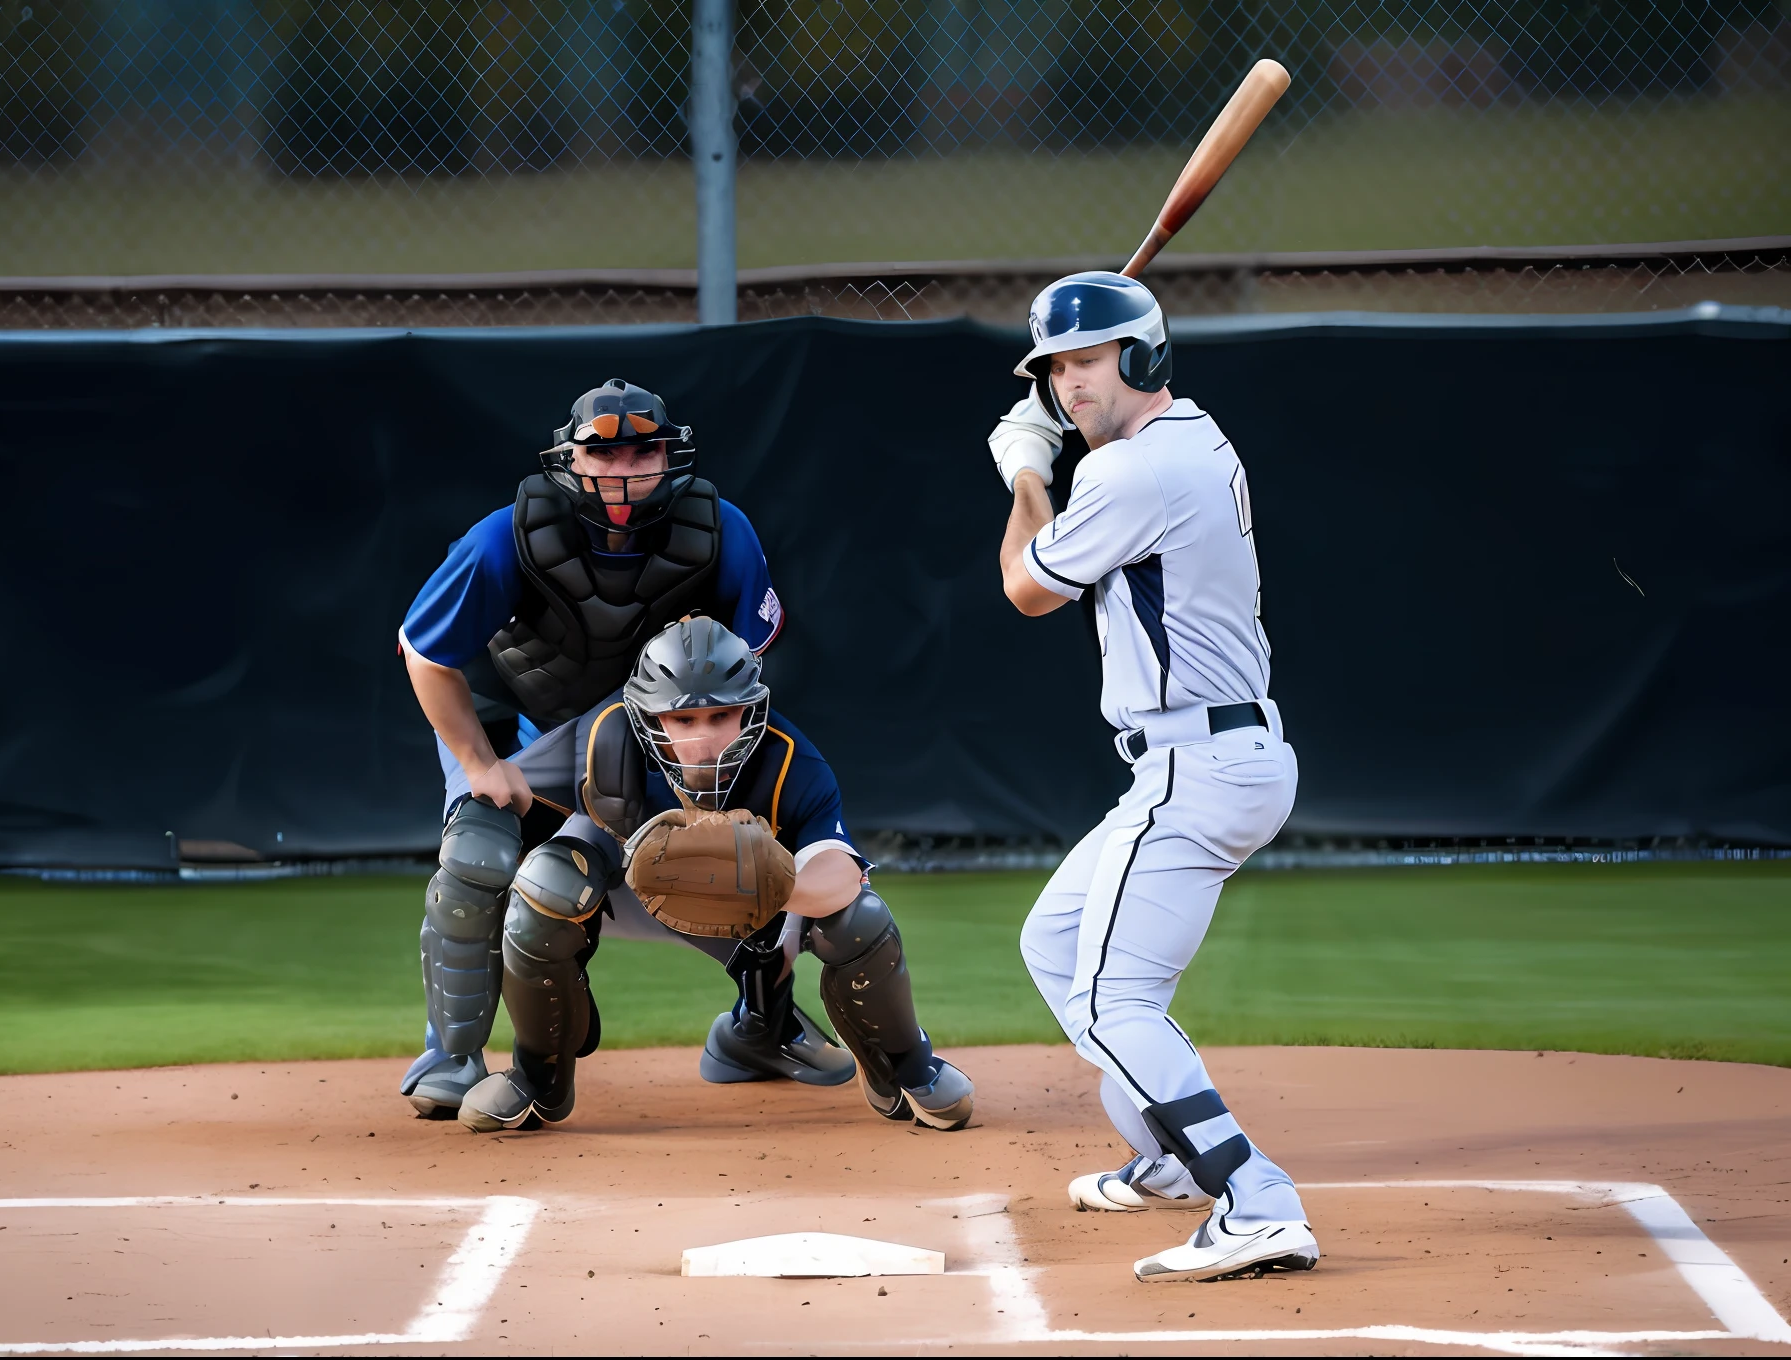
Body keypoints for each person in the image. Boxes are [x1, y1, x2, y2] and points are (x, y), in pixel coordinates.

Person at [396, 379, 845, 1119]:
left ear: (672, 455)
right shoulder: (505, 536)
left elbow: (743, 666)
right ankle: (450, 1053)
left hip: (649, 734)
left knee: (728, 866)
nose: (624, 466)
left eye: (643, 449)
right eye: (603, 451)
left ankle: (761, 1024)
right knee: (478, 858)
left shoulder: (720, 529)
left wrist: (700, 774)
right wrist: (479, 762)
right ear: (569, 459)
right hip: (518, 732)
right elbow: (425, 652)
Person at [990, 272, 1317, 1283]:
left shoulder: (1128, 477)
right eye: (1055, 369)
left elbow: (1026, 587)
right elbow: (1109, 482)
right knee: (1052, 940)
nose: (1069, 384)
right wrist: (1061, 443)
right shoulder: (1190, 438)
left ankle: (1254, 1197)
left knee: (1108, 1000)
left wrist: (1021, 475)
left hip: (1195, 764)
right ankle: (1171, 1157)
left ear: (1140, 355)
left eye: (1087, 362)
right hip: (1211, 755)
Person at [453, 616, 974, 1135]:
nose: (704, 740)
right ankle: (536, 1077)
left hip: (754, 910)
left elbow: (842, 875)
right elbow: (512, 791)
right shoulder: (605, 736)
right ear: (650, 717)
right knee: (545, 886)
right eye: (683, 721)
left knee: (859, 920)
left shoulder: (790, 759)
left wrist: (766, 883)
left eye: (720, 715)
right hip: (618, 879)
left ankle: (897, 1065)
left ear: (751, 708)